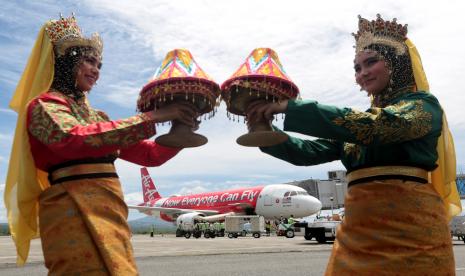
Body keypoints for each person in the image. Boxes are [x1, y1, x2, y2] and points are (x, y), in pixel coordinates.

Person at [246, 14, 462, 275]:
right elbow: (307, 152)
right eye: (357, 68)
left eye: (371, 62)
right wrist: (264, 130)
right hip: (356, 235)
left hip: (413, 232)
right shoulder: (354, 126)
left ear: (397, 62)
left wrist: (292, 108)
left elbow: (379, 127)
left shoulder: (424, 106)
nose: (362, 73)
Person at [4, 15, 198, 275]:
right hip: (70, 209)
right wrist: (152, 117)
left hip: (110, 210)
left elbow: (150, 155)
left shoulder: (99, 118)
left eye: (99, 64)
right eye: (88, 61)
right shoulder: (43, 106)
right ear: (66, 62)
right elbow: (74, 139)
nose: (96, 70)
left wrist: (180, 131)